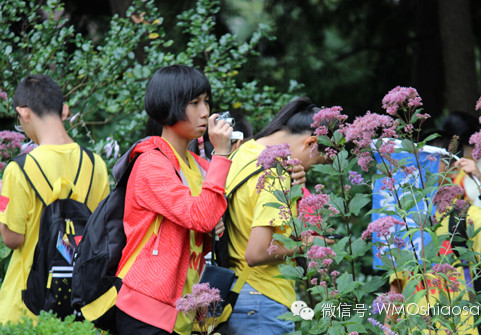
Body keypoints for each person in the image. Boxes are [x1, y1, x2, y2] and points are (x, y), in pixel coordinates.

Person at [113, 64, 233, 335]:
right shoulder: (151, 164)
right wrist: (222, 155)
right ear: (169, 105)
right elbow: (198, 216)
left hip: (186, 313)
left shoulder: (197, 164)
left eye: (206, 101)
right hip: (147, 311)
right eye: (194, 103)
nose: (205, 112)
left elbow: (199, 227)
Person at [0, 74, 110, 324]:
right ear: (65, 111)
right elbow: (100, 231)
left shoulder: (19, 169)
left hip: (26, 310)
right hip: (80, 307)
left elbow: (12, 238)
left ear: (24, 113)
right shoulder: (96, 166)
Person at [220, 97, 329, 334]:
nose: (310, 168)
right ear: (311, 142)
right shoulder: (275, 174)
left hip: (239, 293)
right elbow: (257, 252)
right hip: (264, 301)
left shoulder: (243, 152)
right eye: (318, 161)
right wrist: (307, 246)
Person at [388, 155, 481, 335]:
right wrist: (387, 327)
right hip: (416, 328)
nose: (420, 166)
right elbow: (396, 284)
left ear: (453, 168)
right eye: (416, 160)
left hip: (460, 327)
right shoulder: (406, 218)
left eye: (430, 160)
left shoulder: (464, 215)